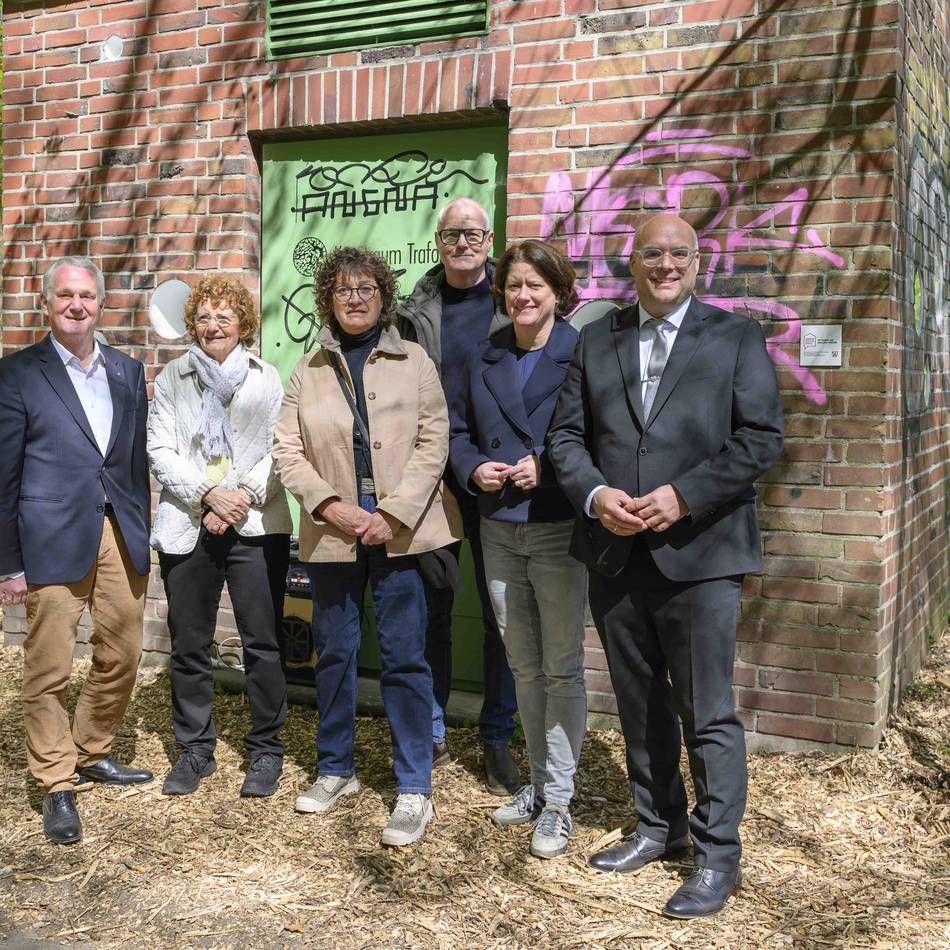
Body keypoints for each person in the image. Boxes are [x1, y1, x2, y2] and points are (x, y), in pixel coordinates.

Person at [547, 214, 784, 917]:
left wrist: (684, 494)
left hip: (703, 551)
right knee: (639, 702)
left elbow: (760, 437)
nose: (665, 263)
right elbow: (565, 436)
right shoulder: (597, 339)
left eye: (678, 252)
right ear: (633, 260)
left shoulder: (735, 335)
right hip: (616, 552)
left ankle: (718, 858)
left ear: (697, 260)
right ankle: (660, 828)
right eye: (652, 252)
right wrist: (594, 495)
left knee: (706, 711)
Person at [273, 246, 461, 847]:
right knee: (335, 652)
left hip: (402, 535)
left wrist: (394, 512)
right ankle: (335, 769)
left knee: (406, 658)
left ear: (384, 297)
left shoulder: (415, 362)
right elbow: (286, 450)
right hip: (334, 533)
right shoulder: (309, 368)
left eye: (367, 288)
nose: (356, 297)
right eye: (343, 288)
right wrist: (330, 506)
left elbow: (435, 442)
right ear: (328, 298)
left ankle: (413, 787)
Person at [0, 256, 153, 845]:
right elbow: (3, 478)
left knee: (123, 650)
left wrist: (140, 528)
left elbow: (131, 461)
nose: (76, 305)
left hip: (118, 532)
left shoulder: (127, 370)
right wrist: (8, 562)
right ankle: (56, 780)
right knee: (48, 667)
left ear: (101, 304)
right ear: (47, 303)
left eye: (86, 295)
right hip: (49, 539)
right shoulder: (17, 374)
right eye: (65, 295)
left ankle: (91, 748)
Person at [449, 240, 587, 859]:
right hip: (499, 524)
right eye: (513, 286)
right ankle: (537, 781)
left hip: (558, 525)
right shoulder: (485, 355)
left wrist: (549, 470)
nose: (523, 296)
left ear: (557, 291)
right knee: (524, 665)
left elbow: (601, 435)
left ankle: (558, 799)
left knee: (562, 666)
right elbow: (455, 430)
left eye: (535, 285)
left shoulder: (582, 352)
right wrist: (474, 467)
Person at [147, 276, 292, 799]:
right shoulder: (172, 377)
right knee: (189, 642)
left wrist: (236, 501)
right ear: (193, 324)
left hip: (254, 524)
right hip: (189, 523)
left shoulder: (266, 378)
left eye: (223, 317)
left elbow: (281, 449)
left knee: (262, 641)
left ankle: (266, 750)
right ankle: (195, 749)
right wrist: (209, 496)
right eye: (204, 317)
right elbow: (159, 450)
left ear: (243, 324)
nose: (212, 326)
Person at [396, 197, 521, 796]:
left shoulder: (513, 297)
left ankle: (497, 737)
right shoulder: (414, 308)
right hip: (433, 477)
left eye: (473, 233)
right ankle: (434, 729)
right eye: (452, 234)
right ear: (438, 240)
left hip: (499, 475)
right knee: (433, 610)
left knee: (503, 615)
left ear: (488, 236)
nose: (463, 243)